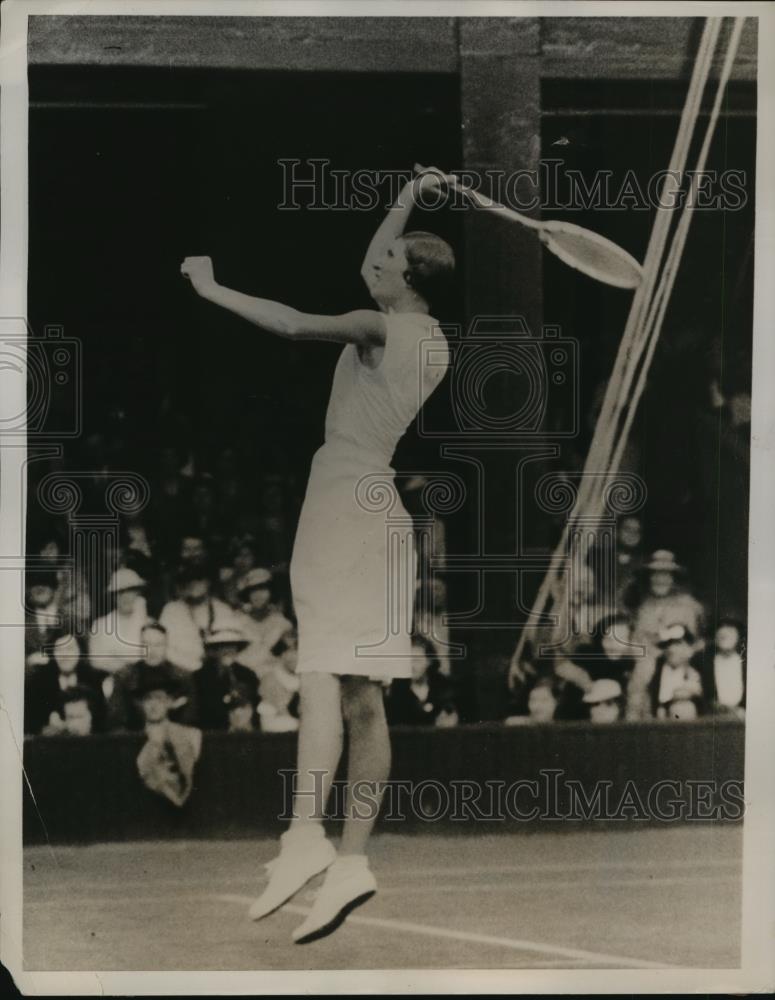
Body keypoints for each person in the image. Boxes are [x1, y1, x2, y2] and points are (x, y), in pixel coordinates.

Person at [181, 165, 455, 942]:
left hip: (345, 507)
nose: (373, 263)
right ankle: (345, 859)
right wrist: (410, 193)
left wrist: (212, 290)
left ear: (409, 277)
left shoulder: (380, 329)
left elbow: (295, 325)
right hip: (371, 511)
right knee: (359, 693)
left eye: (388, 260)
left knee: (320, 675)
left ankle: (306, 838)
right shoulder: (427, 334)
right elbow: (375, 257)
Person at [626, 551, 705, 719]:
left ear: (673, 577)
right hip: (646, 668)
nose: (659, 579)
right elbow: (636, 641)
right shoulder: (643, 607)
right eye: (655, 574)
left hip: (678, 667)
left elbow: (693, 641)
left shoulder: (688, 606)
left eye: (665, 575)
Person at [106, 622, 197, 731]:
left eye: (158, 644)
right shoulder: (124, 677)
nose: (151, 650)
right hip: (135, 739)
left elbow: (190, 720)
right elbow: (117, 721)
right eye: (146, 644)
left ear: (166, 645)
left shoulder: (182, 678)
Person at [135, 675, 203, 807]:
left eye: (160, 699)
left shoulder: (189, 734)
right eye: (148, 699)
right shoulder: (134, 737)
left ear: (170, 702)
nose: (153, 705)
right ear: (141, 704)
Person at [24, 633, 107, 735]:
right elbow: (31, 723)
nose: (65, 655)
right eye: (59, 650)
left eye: (70, 648)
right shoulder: (39, 681)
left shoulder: (93, 679)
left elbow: (101, 722)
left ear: (80, 651)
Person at [159, 566, 232, 672]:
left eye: (198, 580)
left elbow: (231, 647)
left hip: (216, 671)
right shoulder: (171, 609)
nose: (193, 585)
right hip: (179, 671)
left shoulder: (222, 609)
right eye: (188, 582)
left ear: (208, 583)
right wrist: (193, 667)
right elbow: (162, 646)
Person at [194, 627, 261, 731]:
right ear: (215, 650)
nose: (228, 650)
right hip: (211, 732)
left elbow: (255, 706)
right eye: (223, 646)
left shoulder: (248, 675)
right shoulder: (200, 677)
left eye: (232, 646)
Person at [385, 633, 458, 727]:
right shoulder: (397, 690)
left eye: (416, 660)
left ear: (429, 661)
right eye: (407, 661)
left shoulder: (443, 687)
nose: (411, 666)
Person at [233, 568, 293, 679]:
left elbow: (288, 654)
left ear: (271, 592)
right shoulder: (237, 620)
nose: (258, 595)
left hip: (273, 676)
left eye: (263, 590)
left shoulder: (281, 623)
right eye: (253, 591)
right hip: (243, 674)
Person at [88, 567, 149, 674]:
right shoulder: (100, 625)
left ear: (138, 593)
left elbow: (151, 659)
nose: (125, 597)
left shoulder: (148, 624)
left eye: (130, 591)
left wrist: (115, 655)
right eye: (120, 592)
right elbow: (96, 662)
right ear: (113, 596)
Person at [646, 624, 705, 720]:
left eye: (677, 644)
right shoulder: (655, 674)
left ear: (690, 648)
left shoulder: (698, 674)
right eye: (668, 645)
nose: (671, 649)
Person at [697, 618, 746, 718]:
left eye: (730, 633)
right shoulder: (704, 663)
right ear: (715, 638)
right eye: (721, 636)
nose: (724, 636)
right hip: (712, 717)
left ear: (738, 637)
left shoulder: (746, 663)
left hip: (743, 715)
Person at [257, 627, 301, 733]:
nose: (293, 657)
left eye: (297, 651)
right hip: (278, 734)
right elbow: (267, 721)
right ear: (281, 654)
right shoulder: (270, 680)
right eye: (287, 651)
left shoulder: (309, 679)